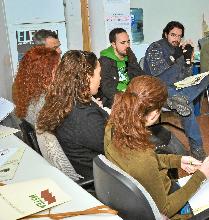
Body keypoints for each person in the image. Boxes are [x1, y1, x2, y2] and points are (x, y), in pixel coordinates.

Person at [105, 75, 209, 220]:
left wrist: (178, 161)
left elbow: (147, 162)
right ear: (154, 113)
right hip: (174, 208)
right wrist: (201, 175)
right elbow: (166, 209)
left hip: (155, 195)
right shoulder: (142, 158)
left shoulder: (113, 127)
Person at [143, 21, 209, 161]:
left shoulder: (180, 49)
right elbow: (156, 72)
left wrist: (187, 61)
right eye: (173, 35)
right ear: (166, 34)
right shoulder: (155, 47)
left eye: (179, 36)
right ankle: (196, 147)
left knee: (206, 77)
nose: (176, 39)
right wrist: (175, 55)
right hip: (157, 88)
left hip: (176, 90)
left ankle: (180, 99)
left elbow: (185, 76)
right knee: (188, 107)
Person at [36, 50, 107, 180]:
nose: (101, 78)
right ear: (87, 77)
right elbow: (116, 148)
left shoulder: (63, 102)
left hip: (89, 169)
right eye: (99, 74)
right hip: (104, 179)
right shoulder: (84, 116)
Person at [98, 28, 146, 109]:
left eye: (128, 42)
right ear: (113, 44)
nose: (127, 45)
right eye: (123, 43)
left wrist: (133, 61)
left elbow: (140, 76)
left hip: (131, 94)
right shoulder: (105, 61)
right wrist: (125, 98)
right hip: (114, 98)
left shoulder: (129, 55)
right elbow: (106, 87)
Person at [12, 46, 60, 126]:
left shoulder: (27, 91)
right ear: (45, 72)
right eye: (57, 68)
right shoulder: (45, 102)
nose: (61, 71)